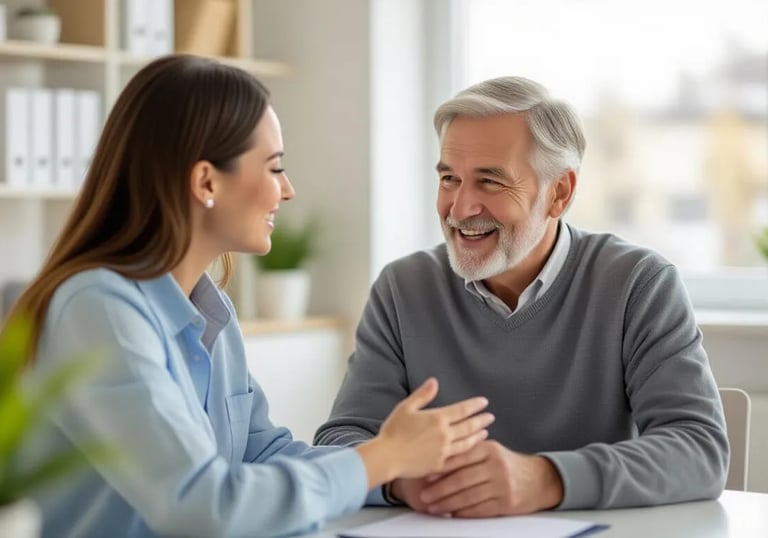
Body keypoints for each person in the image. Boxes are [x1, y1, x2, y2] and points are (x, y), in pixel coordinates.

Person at [5, 55, 495, 538]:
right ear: (206, 181)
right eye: (275, 167)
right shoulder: (99, 307)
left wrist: (396, 478)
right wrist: (379, 458)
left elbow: (260, 453)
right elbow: (203, 505)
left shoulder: (210, 310)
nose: (288, 190)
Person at [315, 76, 729, 516]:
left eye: (490, 183)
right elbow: (341, 441)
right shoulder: (403, 289)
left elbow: (698, 449)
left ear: (559, 193)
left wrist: (545, 479)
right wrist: (399, 480)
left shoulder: (638, 285)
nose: (459, 209)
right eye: (450, 179)